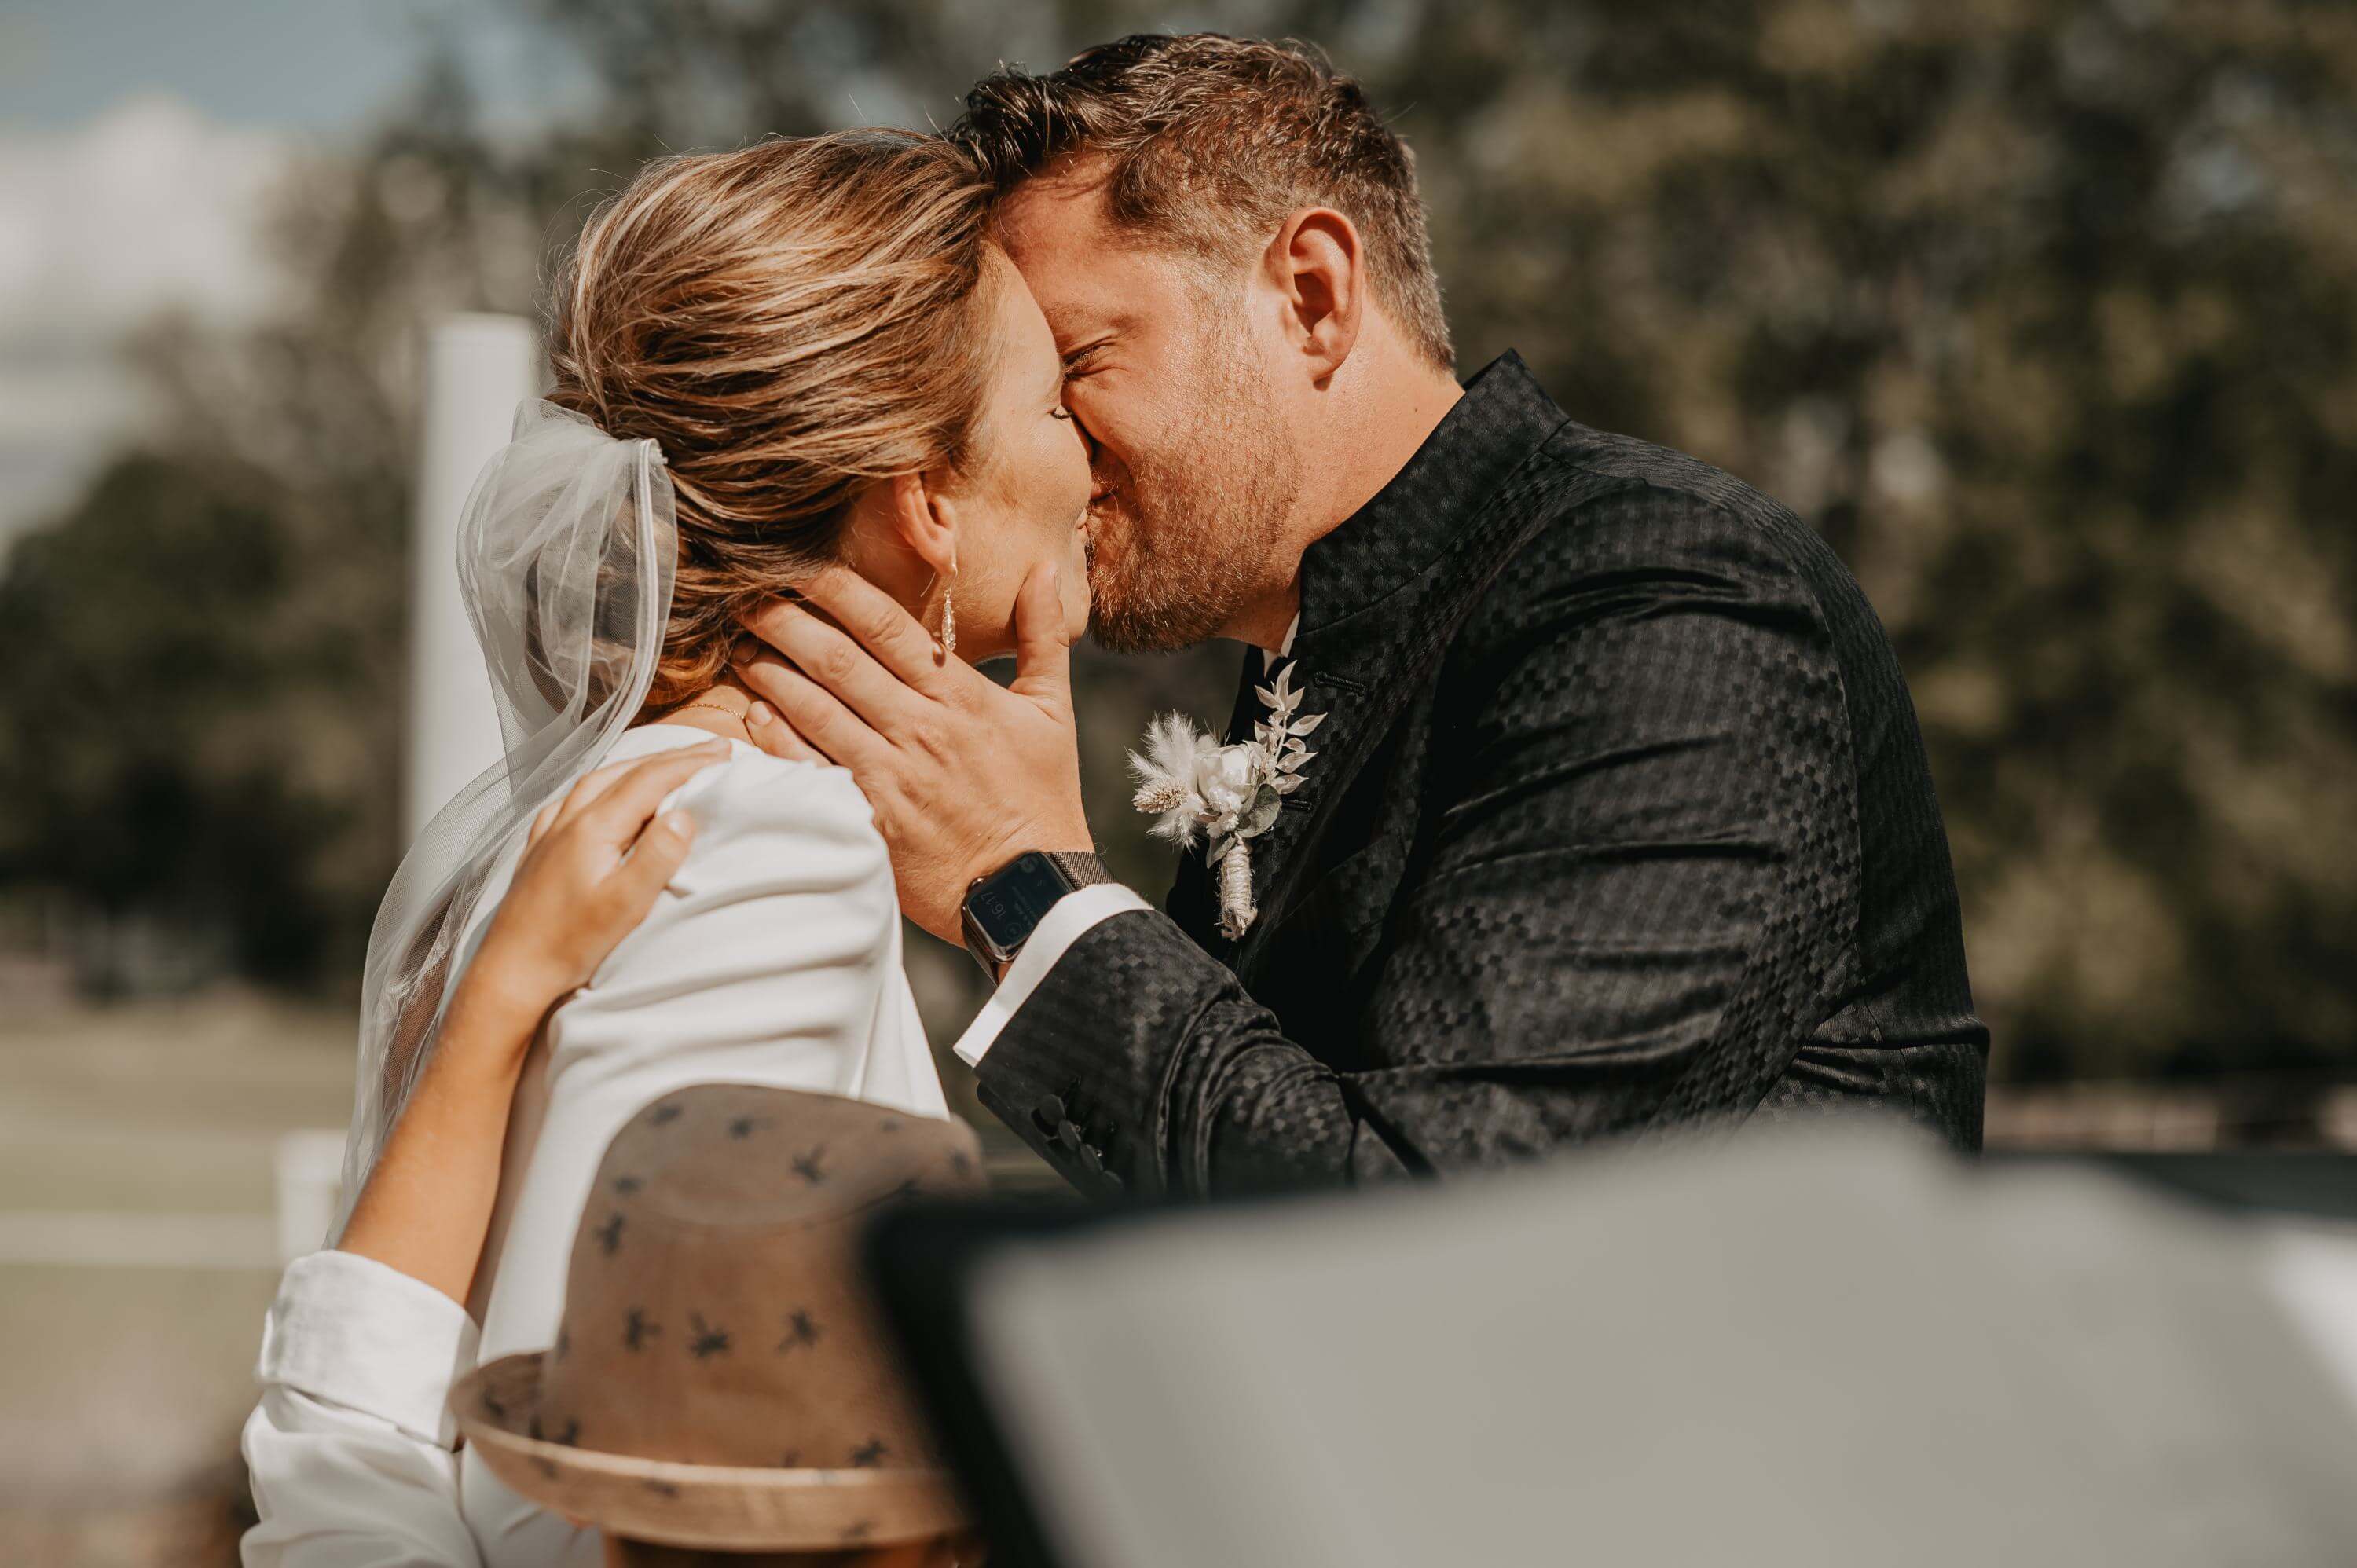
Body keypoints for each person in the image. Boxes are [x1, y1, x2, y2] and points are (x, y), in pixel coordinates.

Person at [734, 33, 1989, 1198]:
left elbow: (1437, 1222)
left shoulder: (1666, 602)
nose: (1050, 451)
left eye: (1076, 367)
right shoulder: (1321, 653)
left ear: (1314, 295)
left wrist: (1021, 887)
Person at [253, 129, 1093, 1565]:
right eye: (1056, 401)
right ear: (928, 504)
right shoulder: (761, 850)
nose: (1090, 454)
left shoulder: (604, 803)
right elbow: (598, 1499)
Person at [244, 751, 980, 1566]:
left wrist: (497, 998)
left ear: (604, 1528)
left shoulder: (735, 825)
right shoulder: (767, 831)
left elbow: (342, 1466)